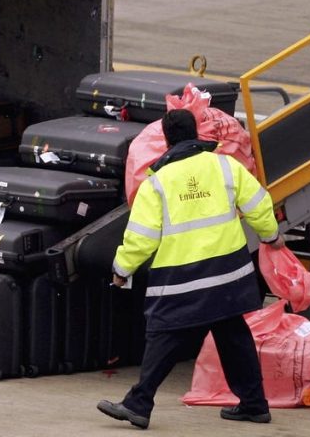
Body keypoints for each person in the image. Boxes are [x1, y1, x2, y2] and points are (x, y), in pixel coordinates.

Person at [97, 108, 285, 430]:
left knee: (163, 334)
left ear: (167, 140)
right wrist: (271, 236)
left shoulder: (157, 183)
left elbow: (141, 237)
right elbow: (258, 204)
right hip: (228, 274)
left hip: (182, 278)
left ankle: (138, 404)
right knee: (232, 334)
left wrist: (121, 269)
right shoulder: (225, 165)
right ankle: (254, 404)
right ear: (196, 132)